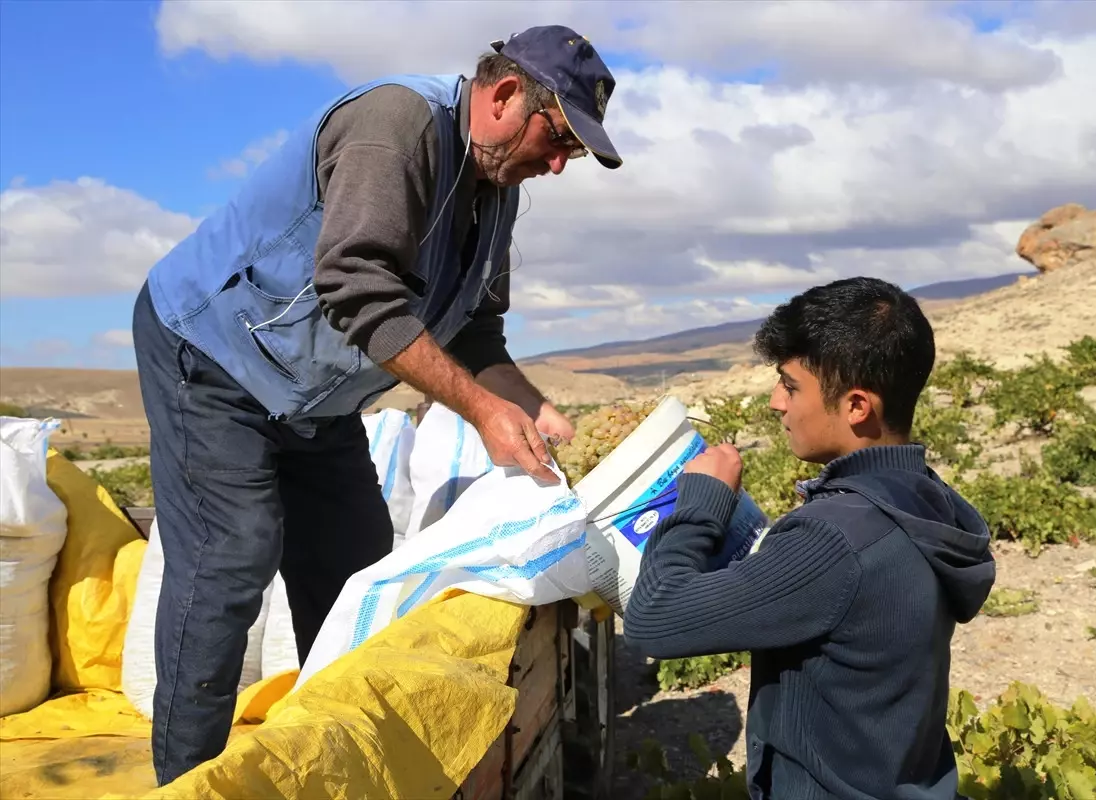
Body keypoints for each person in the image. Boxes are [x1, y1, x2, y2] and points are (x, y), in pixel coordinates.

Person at [131, 24, 622, 785]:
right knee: (231, 558)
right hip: (212, 355)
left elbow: (477, 332)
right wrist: (483, 414)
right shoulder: (397, 126)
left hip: (311, 392)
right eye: (558, 139)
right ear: (502, 96)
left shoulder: (497, 193)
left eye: (574, 155)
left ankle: (330, 775)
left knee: (356, 572)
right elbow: (357, 289)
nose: (558, 164)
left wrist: (531, 406)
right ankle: (186, 780)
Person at [622, 277, 997, 799]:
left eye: (792, 386)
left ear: (857, 406)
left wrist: (701, 504)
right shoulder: (924, 501)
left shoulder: (835, 537)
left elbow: (653, 621)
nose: (777, 402)